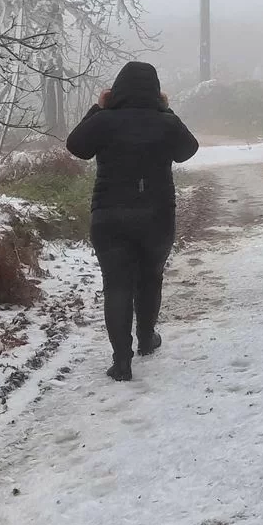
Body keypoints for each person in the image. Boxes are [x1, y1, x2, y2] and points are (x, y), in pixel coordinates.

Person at [64, 61, 199, 381]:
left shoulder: (104, 120)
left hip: (109, 215)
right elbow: (188, 149)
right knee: (151, 277)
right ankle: (146, 339)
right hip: (157, 215)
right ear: (156, 91)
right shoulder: (165, 122)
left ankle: (121, 361)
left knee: (116, 284)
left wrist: (98, 109)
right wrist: (166, 110)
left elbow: (76, 146)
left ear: (117, 89)